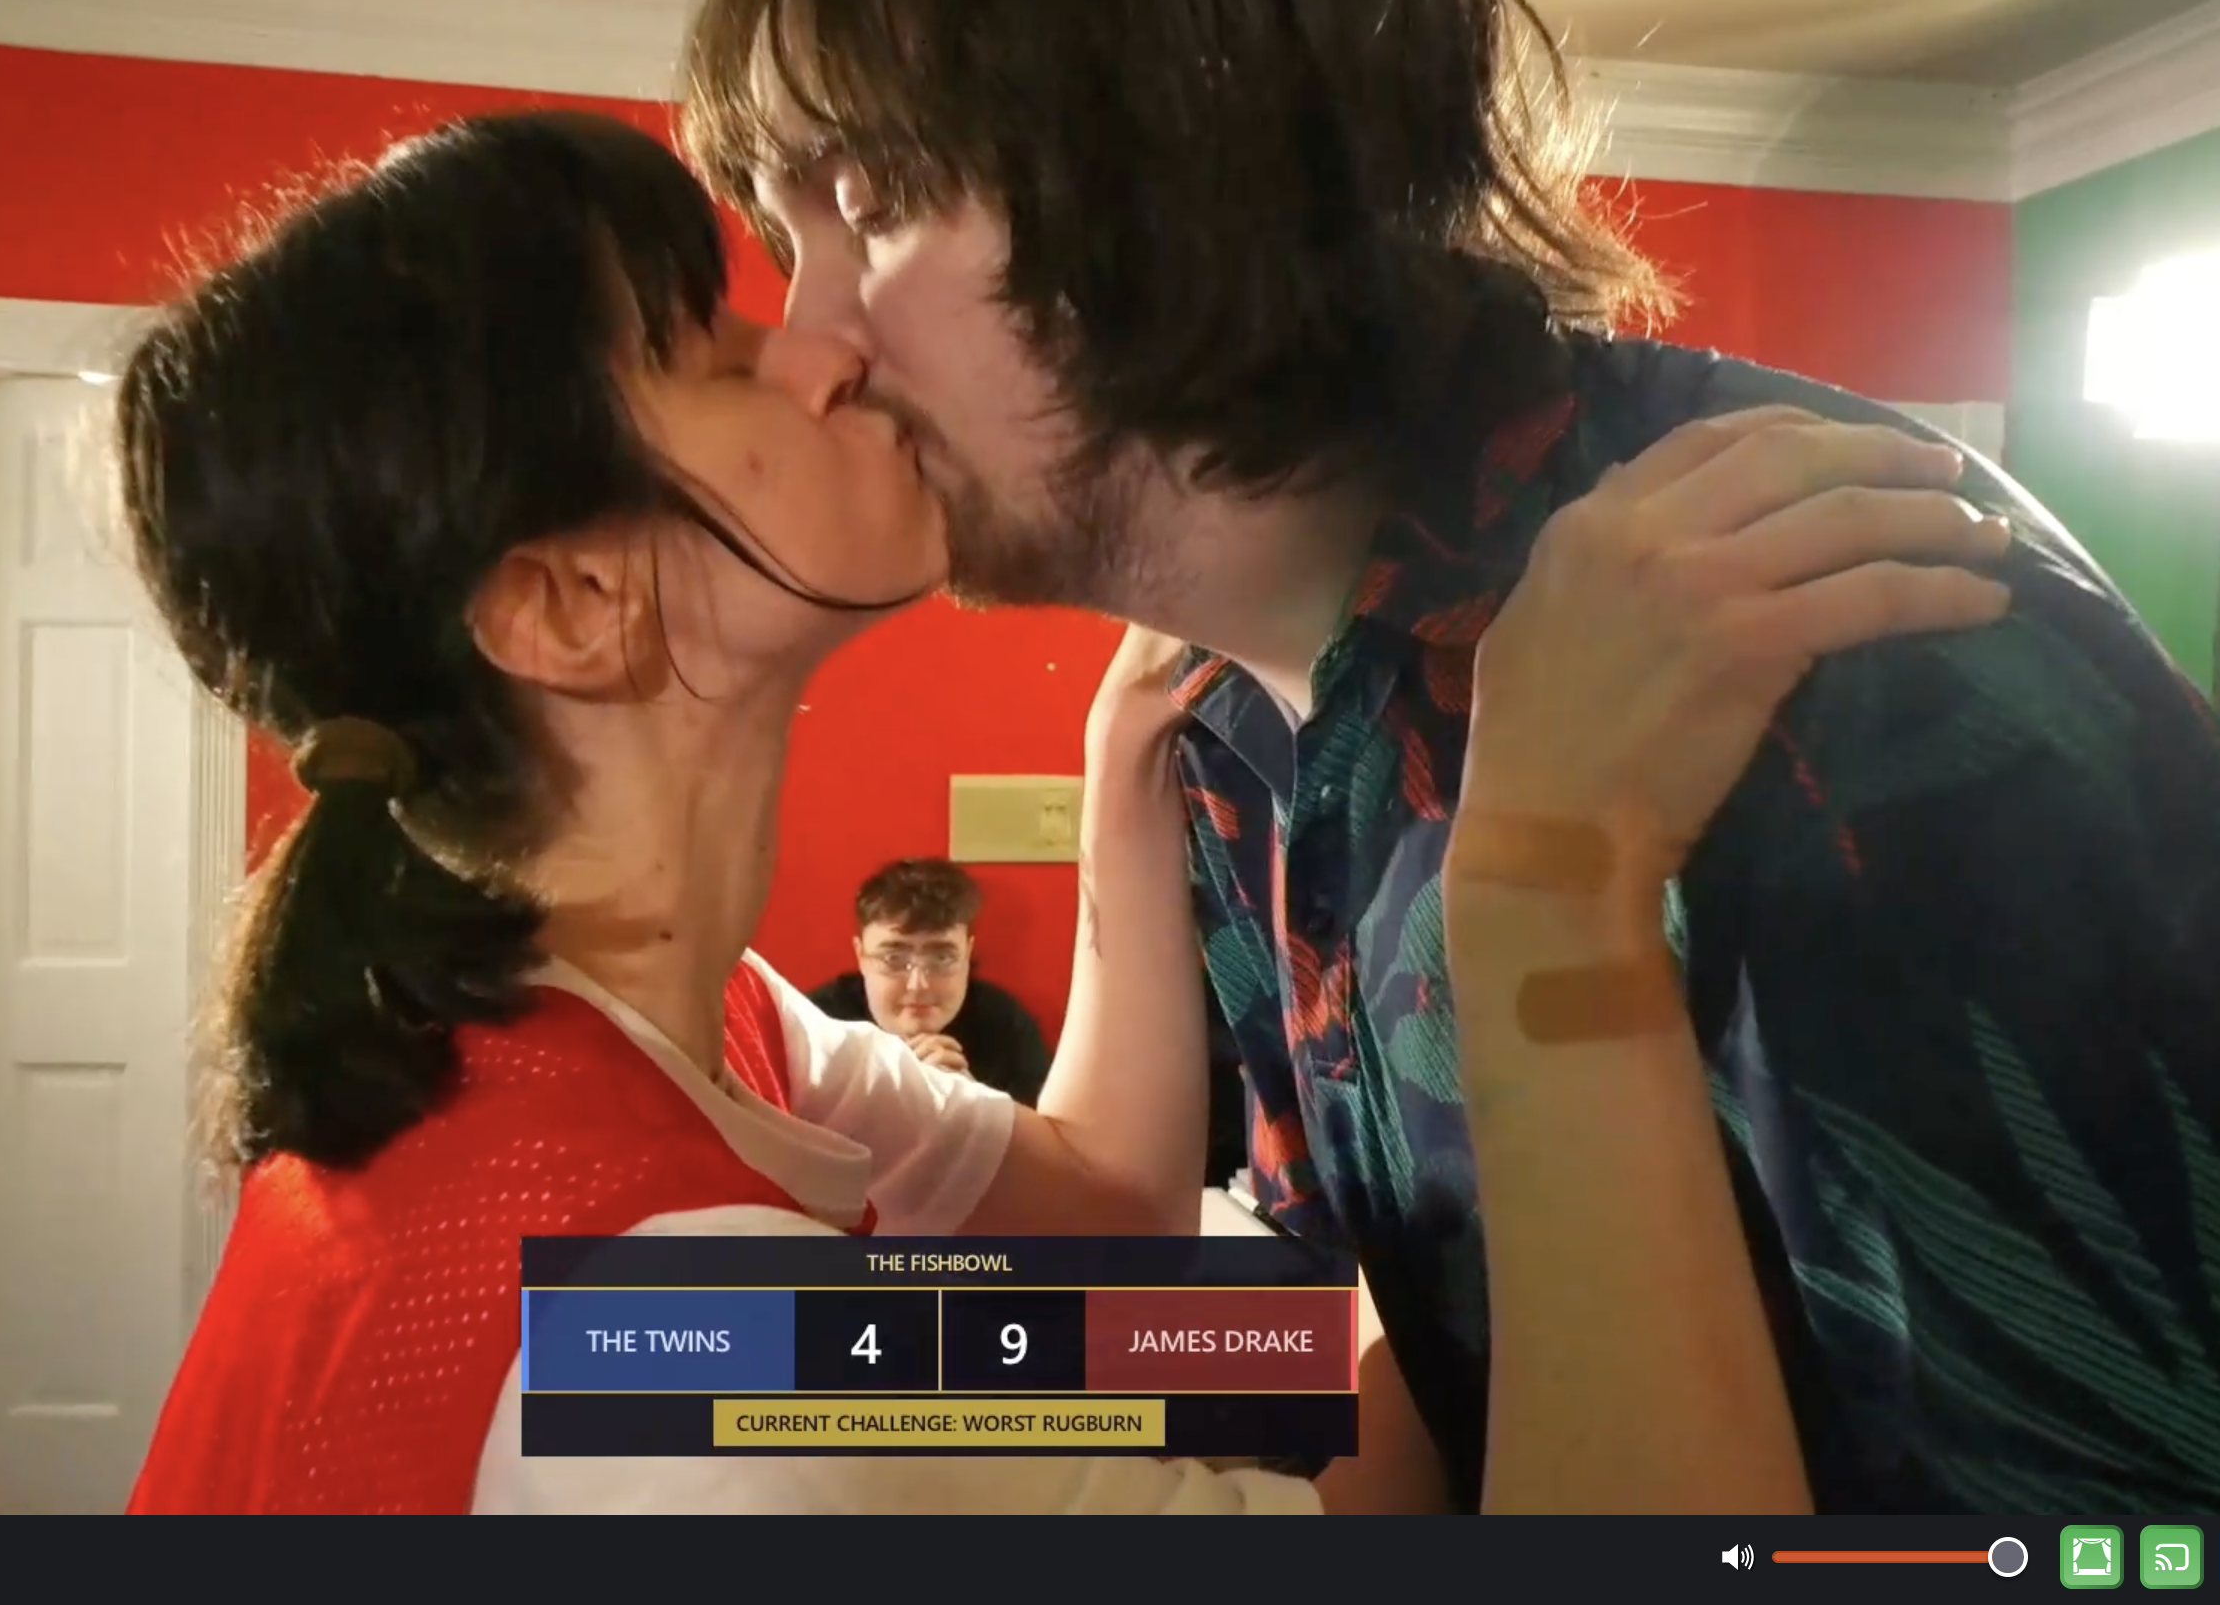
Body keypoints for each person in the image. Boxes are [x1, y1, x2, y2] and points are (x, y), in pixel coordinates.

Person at [682, 0, 2220, 1516]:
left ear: (1175, 159)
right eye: (784, 234)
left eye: (873, 203)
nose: (810, 344)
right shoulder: (1235, 731)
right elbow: (1395, 1323)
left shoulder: (1802, 643)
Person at [111, 109, 2001, 1514]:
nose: (825, 350)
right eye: (712, 353)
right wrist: (1538, 881)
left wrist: (1123, 790)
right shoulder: (682, 1347)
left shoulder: (682, 1042)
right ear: (573, 603)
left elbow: (1102, 1216)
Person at [808, 858, 1054, 1103]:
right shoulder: (817, 1026)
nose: (918, 985)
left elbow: (1043, 1125)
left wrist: (972, 1102)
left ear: (967, 954)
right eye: (893, 958)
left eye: (942, 957)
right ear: (861, 956)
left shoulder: (1006, 1027)